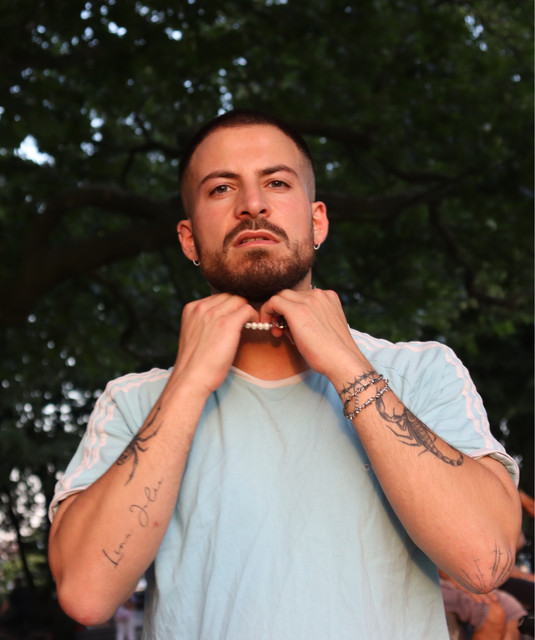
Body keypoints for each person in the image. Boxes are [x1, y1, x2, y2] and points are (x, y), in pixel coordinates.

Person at [48, 109, 522, 639]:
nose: (252, 204)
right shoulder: (135, 400)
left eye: (276, 182)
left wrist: (348, 366)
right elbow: (86, 596)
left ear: (317, 221)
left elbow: (485, 562)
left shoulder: (421, 371)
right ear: (189, 239)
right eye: (221, 188)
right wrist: (187, 383)